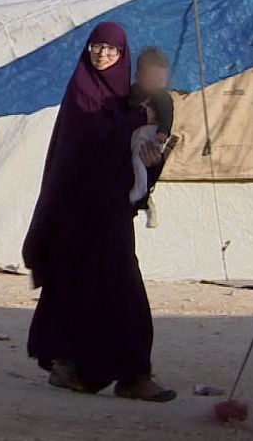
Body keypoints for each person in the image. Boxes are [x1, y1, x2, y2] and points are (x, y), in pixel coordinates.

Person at [23, 22, 176, 402]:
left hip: (111, 215)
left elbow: (132, 158)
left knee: (121, 290)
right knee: (84, 289)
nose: (102, 54)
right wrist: (134, 125)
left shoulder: (131, 98)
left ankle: (131, 373)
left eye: (112, 50)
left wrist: (152, 158)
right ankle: (90, 371)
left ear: (123, 55)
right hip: (75, 215)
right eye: (97, 47)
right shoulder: (82, 92)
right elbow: (85, 147)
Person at [128, 47, 174, 224]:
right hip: (133, 138)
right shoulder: (130, 94)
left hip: (147, 136)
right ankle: (142, 195)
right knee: (136, 161)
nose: (156, 84)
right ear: (139, 76)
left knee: (139, 161)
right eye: (152, 79)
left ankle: (140, 193)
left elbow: (166, 114)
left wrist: (163, 131)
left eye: (160, 80)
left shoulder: (162, 97)